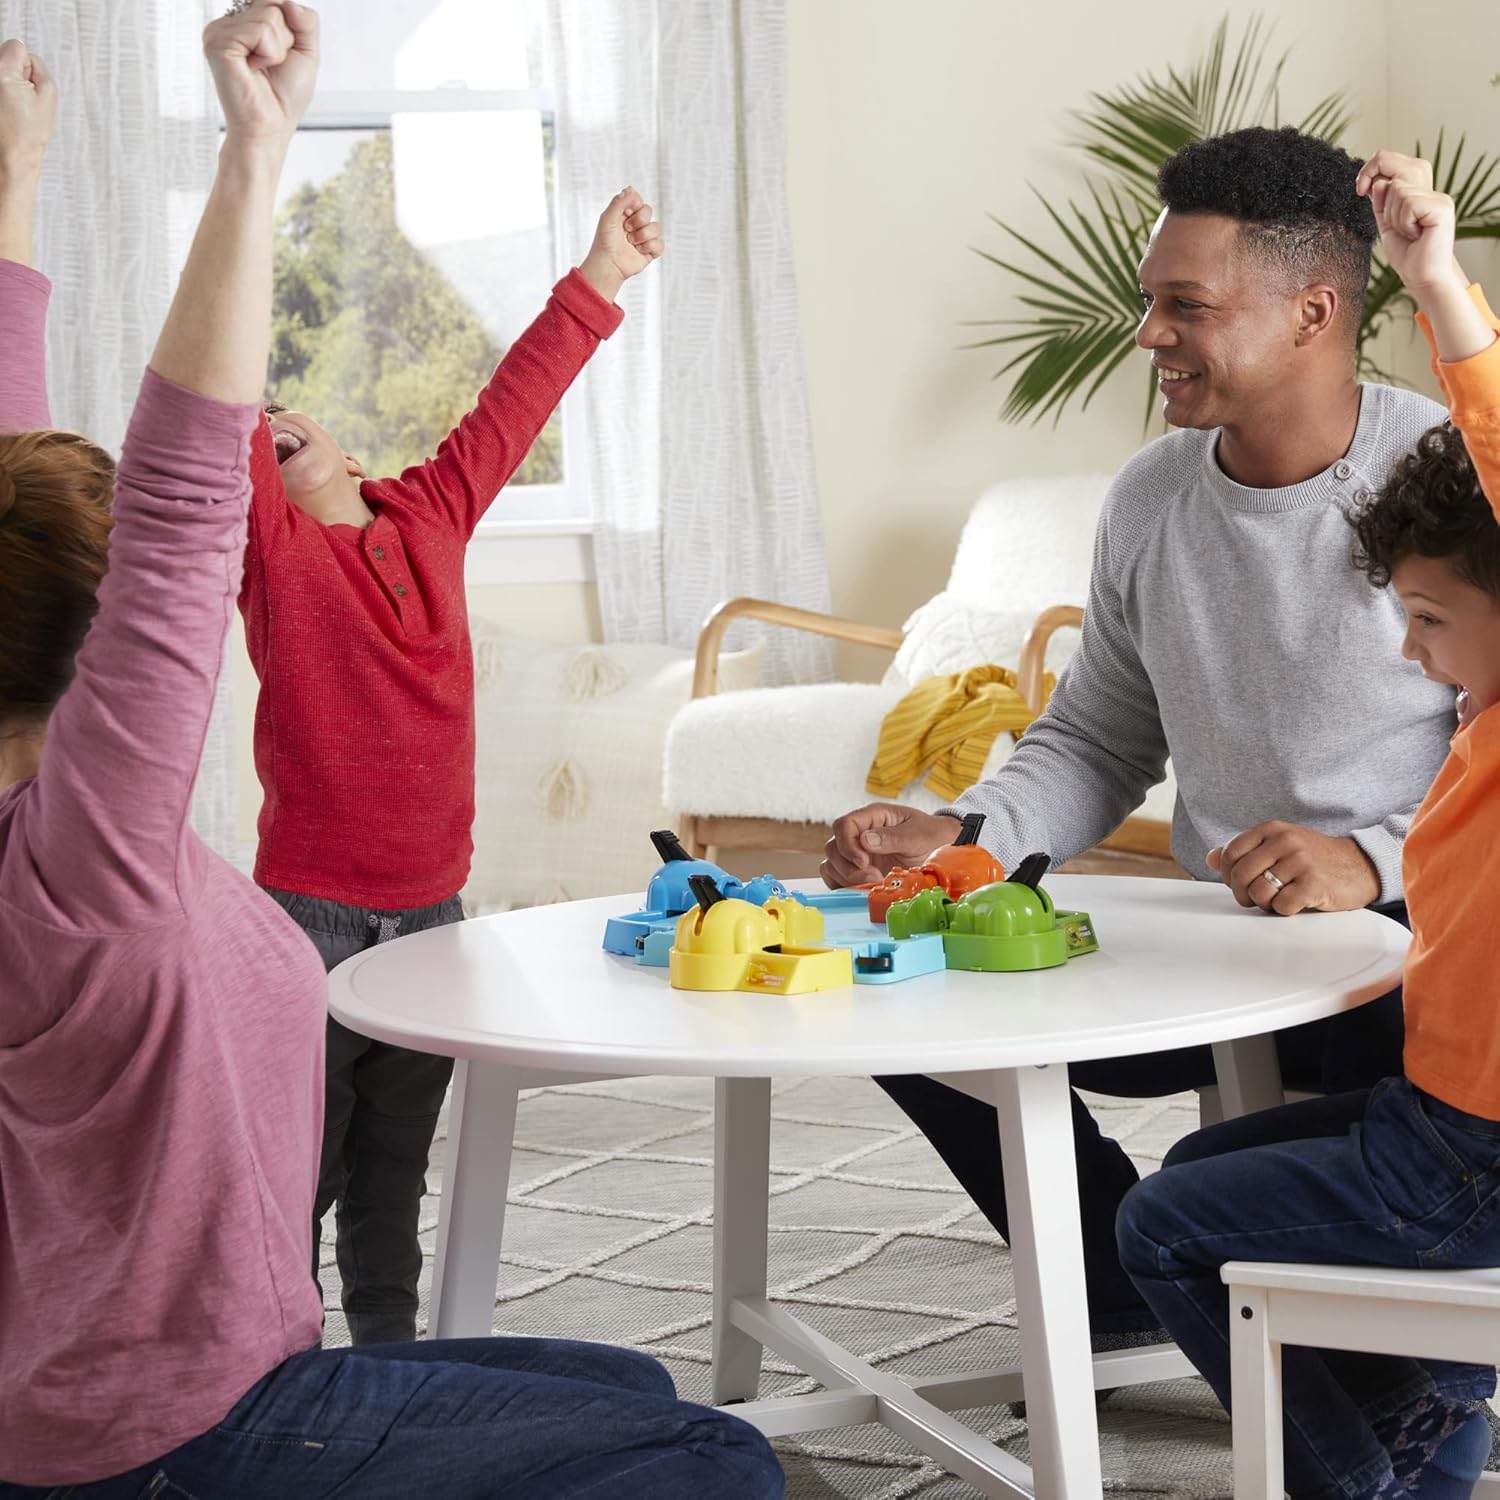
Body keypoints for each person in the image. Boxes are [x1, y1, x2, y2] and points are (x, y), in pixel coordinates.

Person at [0, 9, 781, 1495]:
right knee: (713, 1456)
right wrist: (255, 146)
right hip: (186, 1424)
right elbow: (182, 487)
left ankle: (362, 1363)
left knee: (608, 1367)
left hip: (413, 937)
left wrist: (15, 179)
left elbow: (20, 489)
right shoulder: (95, 849)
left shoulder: (47, 806)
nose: (283, 435)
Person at [821, 126, 1465, 1362]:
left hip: (1406, 961)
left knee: (1352, 1263)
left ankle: (1341, 1348)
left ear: (1313, 312)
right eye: (1149, 300)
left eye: (1187, 306)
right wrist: (959, 837)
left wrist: (1371, 859)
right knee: (895, 986)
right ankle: (1115, 1281)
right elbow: (1099, 734)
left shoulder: (1446, 479)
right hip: (1219, 944)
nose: (1147, 334)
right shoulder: (1153, 496)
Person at [1117, 149, 1500, 1500]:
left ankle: (1362, 1481)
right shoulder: (1153, 499)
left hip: (1471, 1151)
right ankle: (1422, 1437)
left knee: (1166, 1224)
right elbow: (1096, 725)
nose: (1407, 651)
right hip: (1435, 1113)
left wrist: (1436, 279)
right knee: (1197, 1171)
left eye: (1430, 619)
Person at [241, 124, 661, 1351]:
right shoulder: (273, 556)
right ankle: (272, 1361)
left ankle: (390, 1355)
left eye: (289, 417)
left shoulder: (428, 511)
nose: (272, 424)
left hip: (431, 914)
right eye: (257, 428)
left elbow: (514, 401)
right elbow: (211, 432)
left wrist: (601, 274)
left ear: (352, 452)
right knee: (299, 1164)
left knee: (391, 1169)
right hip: (307, 916)